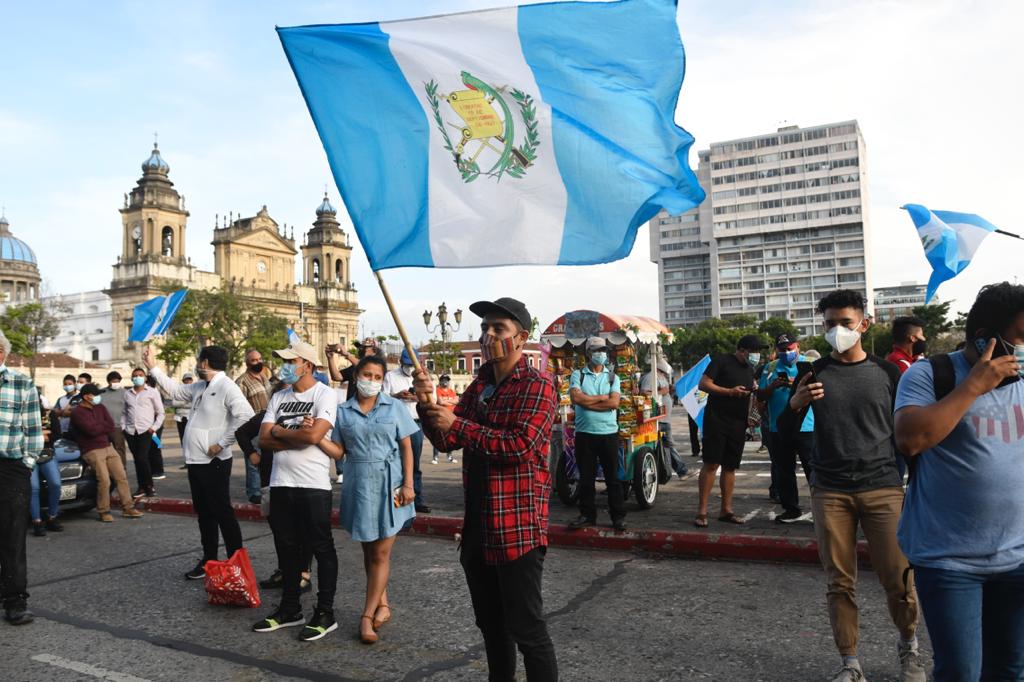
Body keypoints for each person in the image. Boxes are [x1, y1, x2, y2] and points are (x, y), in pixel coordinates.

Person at [784, 289, 924, 682]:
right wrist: (795, 405)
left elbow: (906, 431)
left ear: (864, 323)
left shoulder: (888, 372)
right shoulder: (813, 372)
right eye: (829, 324)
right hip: (830, 489)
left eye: (845, 323)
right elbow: (783, 434)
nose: (837, 331)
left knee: (898, 577)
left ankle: (909, 647)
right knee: (839, 581)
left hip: (883, 485)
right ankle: (850, 663)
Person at [415, 296, 558, 682]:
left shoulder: (537, 385)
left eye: (499, 328)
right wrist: (428, 407)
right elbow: (446, 441)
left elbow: (520, 445)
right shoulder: (480, 385)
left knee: (527, 630)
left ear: (521, 337)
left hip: (516, 529)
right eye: (484, 328)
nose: (488, 335)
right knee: (491, 628)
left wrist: (456, 425)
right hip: (478, 528)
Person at [894, 282, 1024, 681]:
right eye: (1021, 339)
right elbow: (911, 439)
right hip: (949, 558)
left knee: (1011, 670)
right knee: (960, 672)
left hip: (1017, 556)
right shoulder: (930, 374)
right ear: (987, 339)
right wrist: (973, 388)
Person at [319, 354, 416, 644]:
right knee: (369, 550)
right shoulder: (342, 412)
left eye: (377, 377)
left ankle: (366, 616)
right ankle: (382, 604)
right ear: (355, 377)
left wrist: (409, 484)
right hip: (358, 484)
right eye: (367, 375)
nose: (371, 381)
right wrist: (315, 437)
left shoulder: (394, 406)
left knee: (381, 553)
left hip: (392, 484)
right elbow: (338, 452)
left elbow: (407, 447)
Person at [252, 340, 339, 642]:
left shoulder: (325, 394)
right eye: (283, 361)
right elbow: (263, 439)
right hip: (281, 483)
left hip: (313, 485)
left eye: (291, 361)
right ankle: (290, 608)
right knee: (286, 549)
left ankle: (325, 612)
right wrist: (291, 434)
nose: (284, 366)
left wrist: (280, 431)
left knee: (320, 547)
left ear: (308, 365)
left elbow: (314, 435)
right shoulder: (279, 396)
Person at [144, 346, 255, 580]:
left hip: (214, 461)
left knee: (222, 511)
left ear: (204, 362)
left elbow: (245, 415)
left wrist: (222, 443)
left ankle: (237, 561)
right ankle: (209, 559)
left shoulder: (227, 386)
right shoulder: (200, 387)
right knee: (204, 513)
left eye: (198, 360)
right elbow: (174, 389)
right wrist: (152, 366)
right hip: (195, 461)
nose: (196, 363)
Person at [234, 383, 314, 595]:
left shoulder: (306, 418)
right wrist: (252, 454)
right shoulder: (264, 419)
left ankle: (304, 573)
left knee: (302, 529)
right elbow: (241, 433)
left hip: (299, 481)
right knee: (281, 532)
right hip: (271, 483)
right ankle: (285, 570)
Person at [693, 334, 765, 528]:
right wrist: (730, 392)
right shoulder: (721, 361)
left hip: (738, 422)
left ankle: (726, 509)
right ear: (743, 350)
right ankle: (702, 511)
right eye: (754, 351)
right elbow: (703, 384)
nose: (757, 355)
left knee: (731, 466)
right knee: (711, 464)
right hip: (716, 420)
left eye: (759, 352)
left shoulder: (750, 369)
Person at [0, 328, 44, 625]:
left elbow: (34, 432)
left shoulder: (21, 383)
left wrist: (27, 463)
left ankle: (15, 600)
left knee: (13, 536)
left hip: (10, 467)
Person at [567, 336, 625, 532]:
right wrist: (602, 398)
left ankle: (618, 516)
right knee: (586, 478)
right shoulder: (578, 375)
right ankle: (587, 515)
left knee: (613, 479)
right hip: (584, 434)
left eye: (604, 350)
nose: (601, 354)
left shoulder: (613, 377)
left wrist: (588, 401)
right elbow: (576, 398)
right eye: (597, 350)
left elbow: (614, 403)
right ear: (588, 353)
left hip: (609, 434)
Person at [757, 334, 814, 523]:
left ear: (798, 346)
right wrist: (772, 387)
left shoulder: (811, 364)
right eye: (782, 349)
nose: (786, 352)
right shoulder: (770, 368)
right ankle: (791, 509)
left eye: (790, 348)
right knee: (784, 471)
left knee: (814, 470)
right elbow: (761, 396)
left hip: (808, 426)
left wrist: (794, 385)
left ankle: (823, 508)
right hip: (778, 427)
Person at [70, 384, 144, 523]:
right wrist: (101, 426)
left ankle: (128, 507)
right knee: (104, 480)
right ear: (87, 397)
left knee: (121, 477)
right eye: (95, 394)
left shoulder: (100, 407)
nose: (98, 397)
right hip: (91, 449)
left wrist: (99, 426)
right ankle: (104, 511)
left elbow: (110, 425)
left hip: (107, 446)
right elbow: (90, 430)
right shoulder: (77, 412)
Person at [382, 349, 433, 514]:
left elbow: (435, 399)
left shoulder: (424, 377)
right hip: (395, 424)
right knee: (396, 462)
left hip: (415, 423)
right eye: (406, 364)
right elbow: (381, 398)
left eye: (411, 365)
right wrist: (396, 396)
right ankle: (397, 501)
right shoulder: (391, 376)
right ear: (400, 362)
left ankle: (417, 499)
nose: (409, 368)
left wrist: (418, 398)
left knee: (414, 464)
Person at [121, 367, 164, 498]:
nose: (138, 377)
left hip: (146, 430)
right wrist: (123, 427)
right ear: (132, 378)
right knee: (137, 460)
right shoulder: (127, 393)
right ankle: (141, 487)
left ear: (145, 378)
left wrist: (154, 427)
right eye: (135, 375)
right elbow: (124, 412)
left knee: (142, 458)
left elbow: (160, 412)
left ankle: (149, 486)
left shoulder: (152, 392)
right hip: (130, 431)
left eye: (140, 375)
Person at [641, 358, 687, 478]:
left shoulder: (661, 377)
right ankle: (681, 470)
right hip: (658, 419)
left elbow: (664, 391)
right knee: (668, 444)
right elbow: (644, 392)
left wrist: (668, 390)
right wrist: (661, 391)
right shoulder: (651, 376)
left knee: (667, 445)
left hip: (664, 418)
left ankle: (674, 470)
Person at [237, 349, 272, 505]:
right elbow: (238, 406)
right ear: (247, 363)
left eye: (259, 359)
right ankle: (254, 492)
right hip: (252, 425)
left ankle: (264, 488)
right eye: (254, 360)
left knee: (267, 458)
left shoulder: (265, 377)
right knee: (253, 460)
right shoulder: (242, 381)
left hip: (268, 423)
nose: (258, 362)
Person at [101, 371, 128, 469]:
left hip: (118, 426)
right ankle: (107, 468)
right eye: (113, 381)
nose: (116, 383)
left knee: (119, 448)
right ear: (108, 382)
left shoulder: (125, 393)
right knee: (103, 449)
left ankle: (121, 468)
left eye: (117, 381)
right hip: (103, 426)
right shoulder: (101, 392)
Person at [431, 374, 459, 464]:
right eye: (443, 380)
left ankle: (450, 456)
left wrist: (446, 401)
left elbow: (456, 401)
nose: (445, 382)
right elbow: (440, 402)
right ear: (440, 381)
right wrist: (451, 401)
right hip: (440, 417)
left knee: (449, 438)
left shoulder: (451, 391)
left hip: (450, 417)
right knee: (438, 436)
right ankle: (435, 457)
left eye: (447, 380)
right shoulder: (438, 390)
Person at [171, 372, 194, 470]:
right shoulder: (178, 390)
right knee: (183, 439)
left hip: (191, 417)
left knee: (191, 440)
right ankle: (187, 461)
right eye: (186, 380)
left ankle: (193, 460)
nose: (188, 381)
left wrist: (182, 403)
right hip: (180, 418)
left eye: (189, 379)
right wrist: (186, 402)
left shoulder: (195, 390)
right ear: (183, 381)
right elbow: (174, 403)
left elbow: (195, 404)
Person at [52, 374, 80, 440]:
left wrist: (62, 412)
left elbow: (78, 413)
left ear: (75, 384)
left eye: (70, 384)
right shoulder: (61, 399)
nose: (67, 386)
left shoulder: (79, 398)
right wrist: (66, 412)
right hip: (62, 430)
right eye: (65, 384)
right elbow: (55, 412)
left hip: (75, 430)